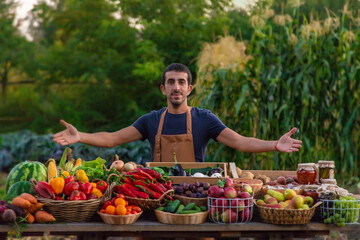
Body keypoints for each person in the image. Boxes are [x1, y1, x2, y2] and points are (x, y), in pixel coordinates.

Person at [53, 63, 302, 162]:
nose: (176, 87)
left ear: (189, 89)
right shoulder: (150, 120)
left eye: (181, 82)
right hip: (156, 195)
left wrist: (274, 144)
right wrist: (80, 135)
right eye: (171, 82)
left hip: (194, 195)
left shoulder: (204, 119)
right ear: (163, 89)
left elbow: (240, 142)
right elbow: (112, 139)